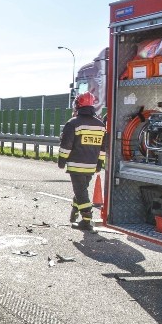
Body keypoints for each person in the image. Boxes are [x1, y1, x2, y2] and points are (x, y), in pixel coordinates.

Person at [58, 92, 107, 231]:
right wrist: (99, 163)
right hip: (91, 166)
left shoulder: (73, 123)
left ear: (78, 105)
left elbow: (66, 145)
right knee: (81, 191)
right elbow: (102, 148)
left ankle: (86, 221)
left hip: (76, 166)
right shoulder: (100, 125)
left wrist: (61, 161)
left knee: (81, 192)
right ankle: (75, 210)